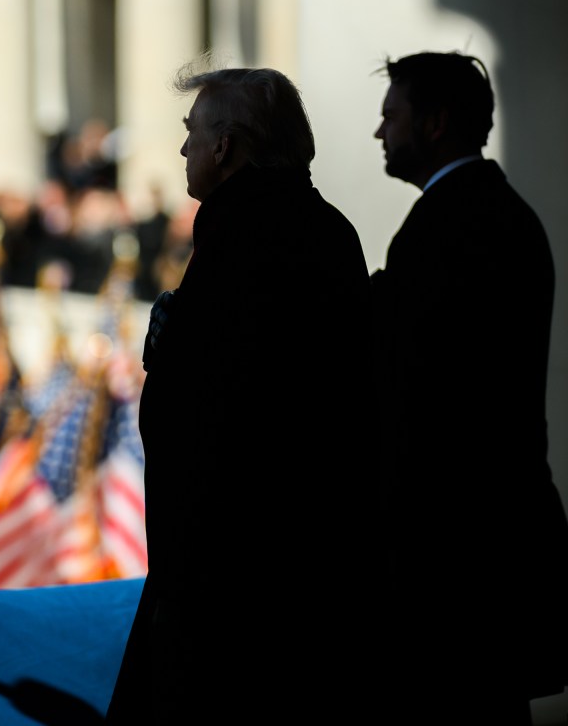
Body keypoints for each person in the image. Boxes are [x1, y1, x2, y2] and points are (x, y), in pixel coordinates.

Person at [105, 60, 377, 724]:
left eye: (191, 131)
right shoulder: (330, 229)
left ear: (225, 147)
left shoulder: (240, 239)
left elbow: (212, 414)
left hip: (228, 585)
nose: (182, 148)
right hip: (307, 570)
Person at [371, 50, 568, 724]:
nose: (379, 133)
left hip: (458, 559)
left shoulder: (451, 226)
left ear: (435, 125)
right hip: (493, 545)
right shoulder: (494, 213)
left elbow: (409, 378)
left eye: (390, 117)